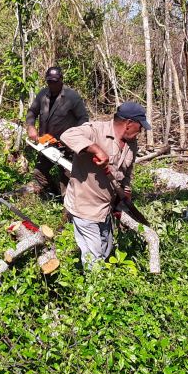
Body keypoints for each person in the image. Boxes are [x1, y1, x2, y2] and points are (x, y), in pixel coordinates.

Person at [60, 102, 149, 268]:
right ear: (129, 123)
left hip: (106, 207)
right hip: (84, 206)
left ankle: (100, 283)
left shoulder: (131, 144)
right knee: (94, 258)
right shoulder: (95, 130)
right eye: (140, 126)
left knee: (106, 250)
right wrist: (95, 149)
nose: (141, 131)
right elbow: (67, 135)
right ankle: (93, 290)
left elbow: (127, 173)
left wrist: (126, 191)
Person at [25, 66, 89, 195]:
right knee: (39, 172)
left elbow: (83, 119)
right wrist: (31, 126)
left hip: (67, 146)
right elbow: (32, 111)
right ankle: (52, 194)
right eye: (49, 82)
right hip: (46, 144)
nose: (52, 84)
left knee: (66, 178)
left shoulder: (72, 97)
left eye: (55, 81)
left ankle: (65, 203)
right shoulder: (43, 94)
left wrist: (76, 139)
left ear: (61, 80)